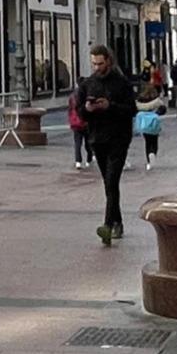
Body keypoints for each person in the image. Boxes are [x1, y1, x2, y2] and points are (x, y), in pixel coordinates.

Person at [73, 45, 138, 245]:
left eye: (100, 63)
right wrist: (87, 108)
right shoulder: (87, 84)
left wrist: (110, 106)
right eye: (94, 63)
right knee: (109, 183)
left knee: (111, 181)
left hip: (118, 138)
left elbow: (131, 110)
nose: (97, 67)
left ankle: (107, 226)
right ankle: (118, 221)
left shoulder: (121, 83)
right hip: (97, 138)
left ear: (108, 61)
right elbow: (79, 113)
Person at [67, 83, 93, 171]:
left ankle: (78, 161)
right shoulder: (87, 96)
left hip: (76, 123)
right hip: (85, 123)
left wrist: (71, 120)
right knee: (88, 143)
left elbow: (70, 109)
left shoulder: (72, 97)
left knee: (77, 143)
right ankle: (89, 160)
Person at [135, 99, 165, 170]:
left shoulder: (141, 99)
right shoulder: (157, 100)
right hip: (154, 123)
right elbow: (163, 109)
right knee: (154, 141)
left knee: (147, 143)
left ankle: (148, 161)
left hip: (145, 125)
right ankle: (153, 152)